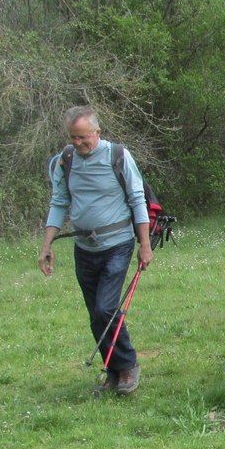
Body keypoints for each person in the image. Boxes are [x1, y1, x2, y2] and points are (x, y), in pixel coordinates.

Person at [38, 106, 153, 396]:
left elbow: (137, 199)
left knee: (106, 308)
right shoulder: (65, 161)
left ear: (97, 133)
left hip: (117, 244)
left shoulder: (118, 156)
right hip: (83, 248)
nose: (78, 143)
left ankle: (127, 365)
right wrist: (47, 245)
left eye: (83, 138)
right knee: (95, 313)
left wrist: (145, 244)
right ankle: (114, 371)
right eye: (73, 138)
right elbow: (59, 203)